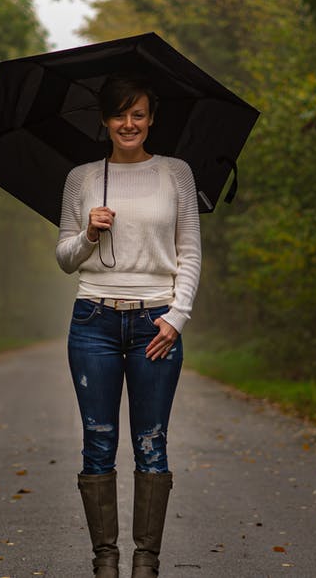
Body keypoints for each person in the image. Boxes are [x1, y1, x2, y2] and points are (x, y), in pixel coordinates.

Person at [55, 72, 201, 578]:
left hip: (155, 325)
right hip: (93, 318)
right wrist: (89, 234)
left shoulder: (176, 173)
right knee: (97, 440)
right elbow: (64, 258)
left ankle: (146, 562)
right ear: (104, 120)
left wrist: (177, 317)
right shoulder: (82, 178)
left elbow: (189, 252)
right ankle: (105, 563)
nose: (129, 123)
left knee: (151, 440)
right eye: (119, 114)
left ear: (152, 118)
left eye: (138, 113)